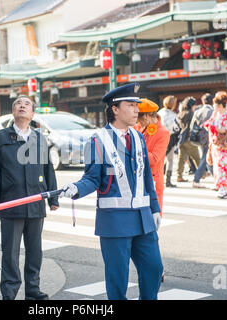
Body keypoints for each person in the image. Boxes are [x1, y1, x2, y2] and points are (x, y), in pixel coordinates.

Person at [61, 83, 163, 300]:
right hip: (115, 222)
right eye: (131, 105)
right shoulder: (98, 140)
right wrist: (76, 188)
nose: (137, 110)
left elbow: (146, 179)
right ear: (115, 109)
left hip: (143, 218)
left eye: (137, 105)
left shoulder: (137, 138)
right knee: (118, 279)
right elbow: (92, 178)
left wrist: (155, 208)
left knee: (154, 268)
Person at [0, 95, 59, 300]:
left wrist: (53, 198)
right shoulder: (1, 137)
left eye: (27, 104)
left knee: (35, 251)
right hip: (11, 203)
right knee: (10, 253)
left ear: (33, 113)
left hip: (35, 203)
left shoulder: (39, 138)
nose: (22, 106)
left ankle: (33, 291)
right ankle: (9, 293)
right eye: (18, 103)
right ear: (13, 111)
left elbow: (48, 169)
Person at [133, 98, 170, 214]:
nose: (138, 122)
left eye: (139, 118)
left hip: (153, 180)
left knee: (152, 218)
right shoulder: (137, 128)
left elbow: (154, 159)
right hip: (137, 179)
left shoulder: (162, 132)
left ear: (146, 116)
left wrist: (136, 148)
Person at [204, 92, 227, 199]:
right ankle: (222, 186)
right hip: (217, 144)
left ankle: (224, 188)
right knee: (217, 165)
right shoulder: (215, 113)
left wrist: (224, 130)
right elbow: (208, 125)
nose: (214, 107)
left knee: (223, 165)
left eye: (215, 105)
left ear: (220, 105)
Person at [190, 93, 214, 188]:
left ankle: (216, 176)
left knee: (206, 157)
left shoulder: (198, 111)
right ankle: (196, 179)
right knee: (205, 158)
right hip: (208, 136)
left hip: (199, 137)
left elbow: (192, 125)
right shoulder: (212, 111)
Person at [175, 97, 200, 182]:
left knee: (181, 158)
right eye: (194, 104)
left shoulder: (180, 113)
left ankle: (179, 176)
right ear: (191, 105)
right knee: (196, 157)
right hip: (189, 139)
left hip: (182, 139)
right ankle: (202, 173)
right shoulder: (191, 114)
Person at [158, 95, 178, 187]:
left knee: (160, 159)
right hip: (169, 139)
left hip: (158, 139)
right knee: (170, 160)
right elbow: (176, 128)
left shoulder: (159, 113)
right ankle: (168, 180)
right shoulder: (173, 115)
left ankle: (159, 178)